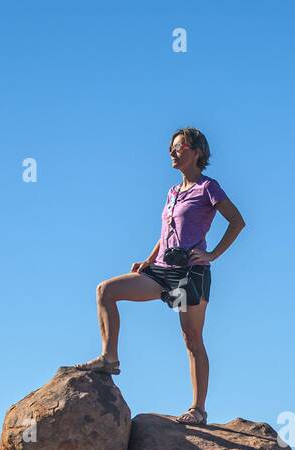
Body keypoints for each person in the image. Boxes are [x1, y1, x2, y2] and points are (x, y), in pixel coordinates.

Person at [73, 127, 245, 425]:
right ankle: (109, 358)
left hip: (189, 274)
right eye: (172, 148)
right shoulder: (172, 192)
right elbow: (165, 232)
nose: (172, 152)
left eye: (179, 147)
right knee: (106, 291)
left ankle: (198, 410)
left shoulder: (208, 187)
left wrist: (213, 254)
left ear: (197, 152)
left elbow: (237, 222)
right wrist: (149, 259)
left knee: (191, 338)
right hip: (162, 271)